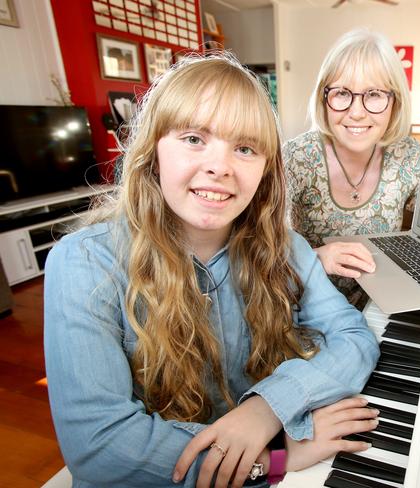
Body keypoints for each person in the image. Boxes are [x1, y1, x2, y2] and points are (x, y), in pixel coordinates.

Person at [44, 55, 380, 488]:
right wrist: (272, 456)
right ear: (153, 152)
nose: (220, 167)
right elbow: (101, 444)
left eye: (244, 149)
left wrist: (266, 409)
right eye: (193, 138)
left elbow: (354, 338)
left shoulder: (288, 249)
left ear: (265, 170)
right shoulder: (84, 263)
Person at [283, 29, 420, 308]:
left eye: (373, 94)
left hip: (380, 310)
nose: (357, 112)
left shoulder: (410, 156)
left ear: (394, 101)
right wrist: (316, 258)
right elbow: (255, 247)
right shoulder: (296, 157)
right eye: (342, 93)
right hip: (306, 306)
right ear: (324, 98)